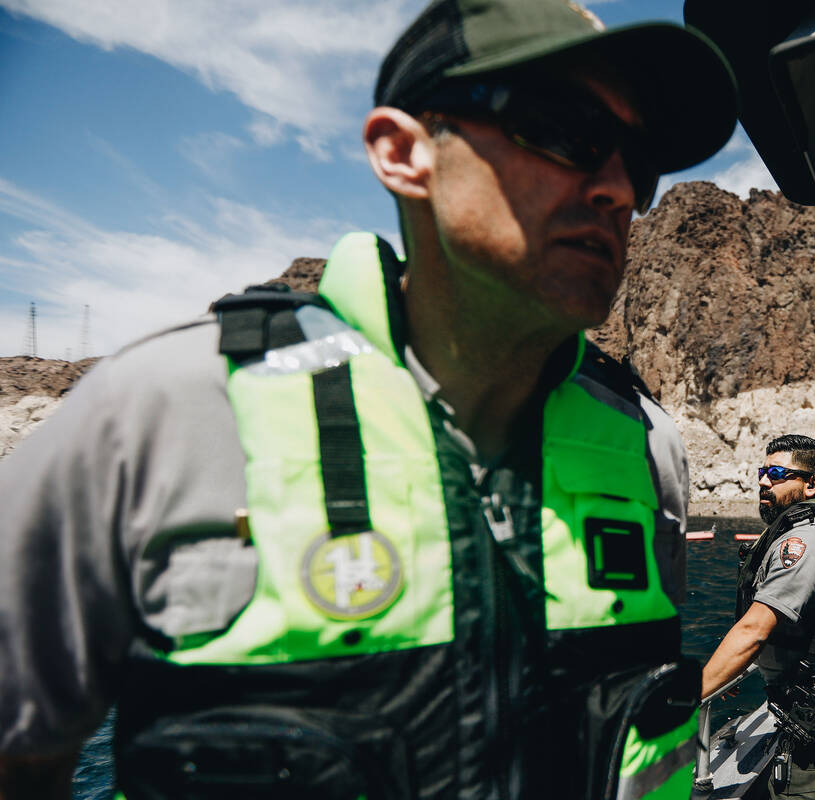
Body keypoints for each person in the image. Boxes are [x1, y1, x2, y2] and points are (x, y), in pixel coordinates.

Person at [0, 1, 738, 797]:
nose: (621, 189)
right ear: (401, 152)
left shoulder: (646, 448)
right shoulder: (161, 417)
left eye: (641, 161)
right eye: (566, 130)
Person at [701, 434, 815, 799]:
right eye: (762, 471)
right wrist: (735, 667)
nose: (762, 481)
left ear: (812, 483)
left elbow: (756, 629)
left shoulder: (807, 543)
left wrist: (692, 695)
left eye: (776, 473)